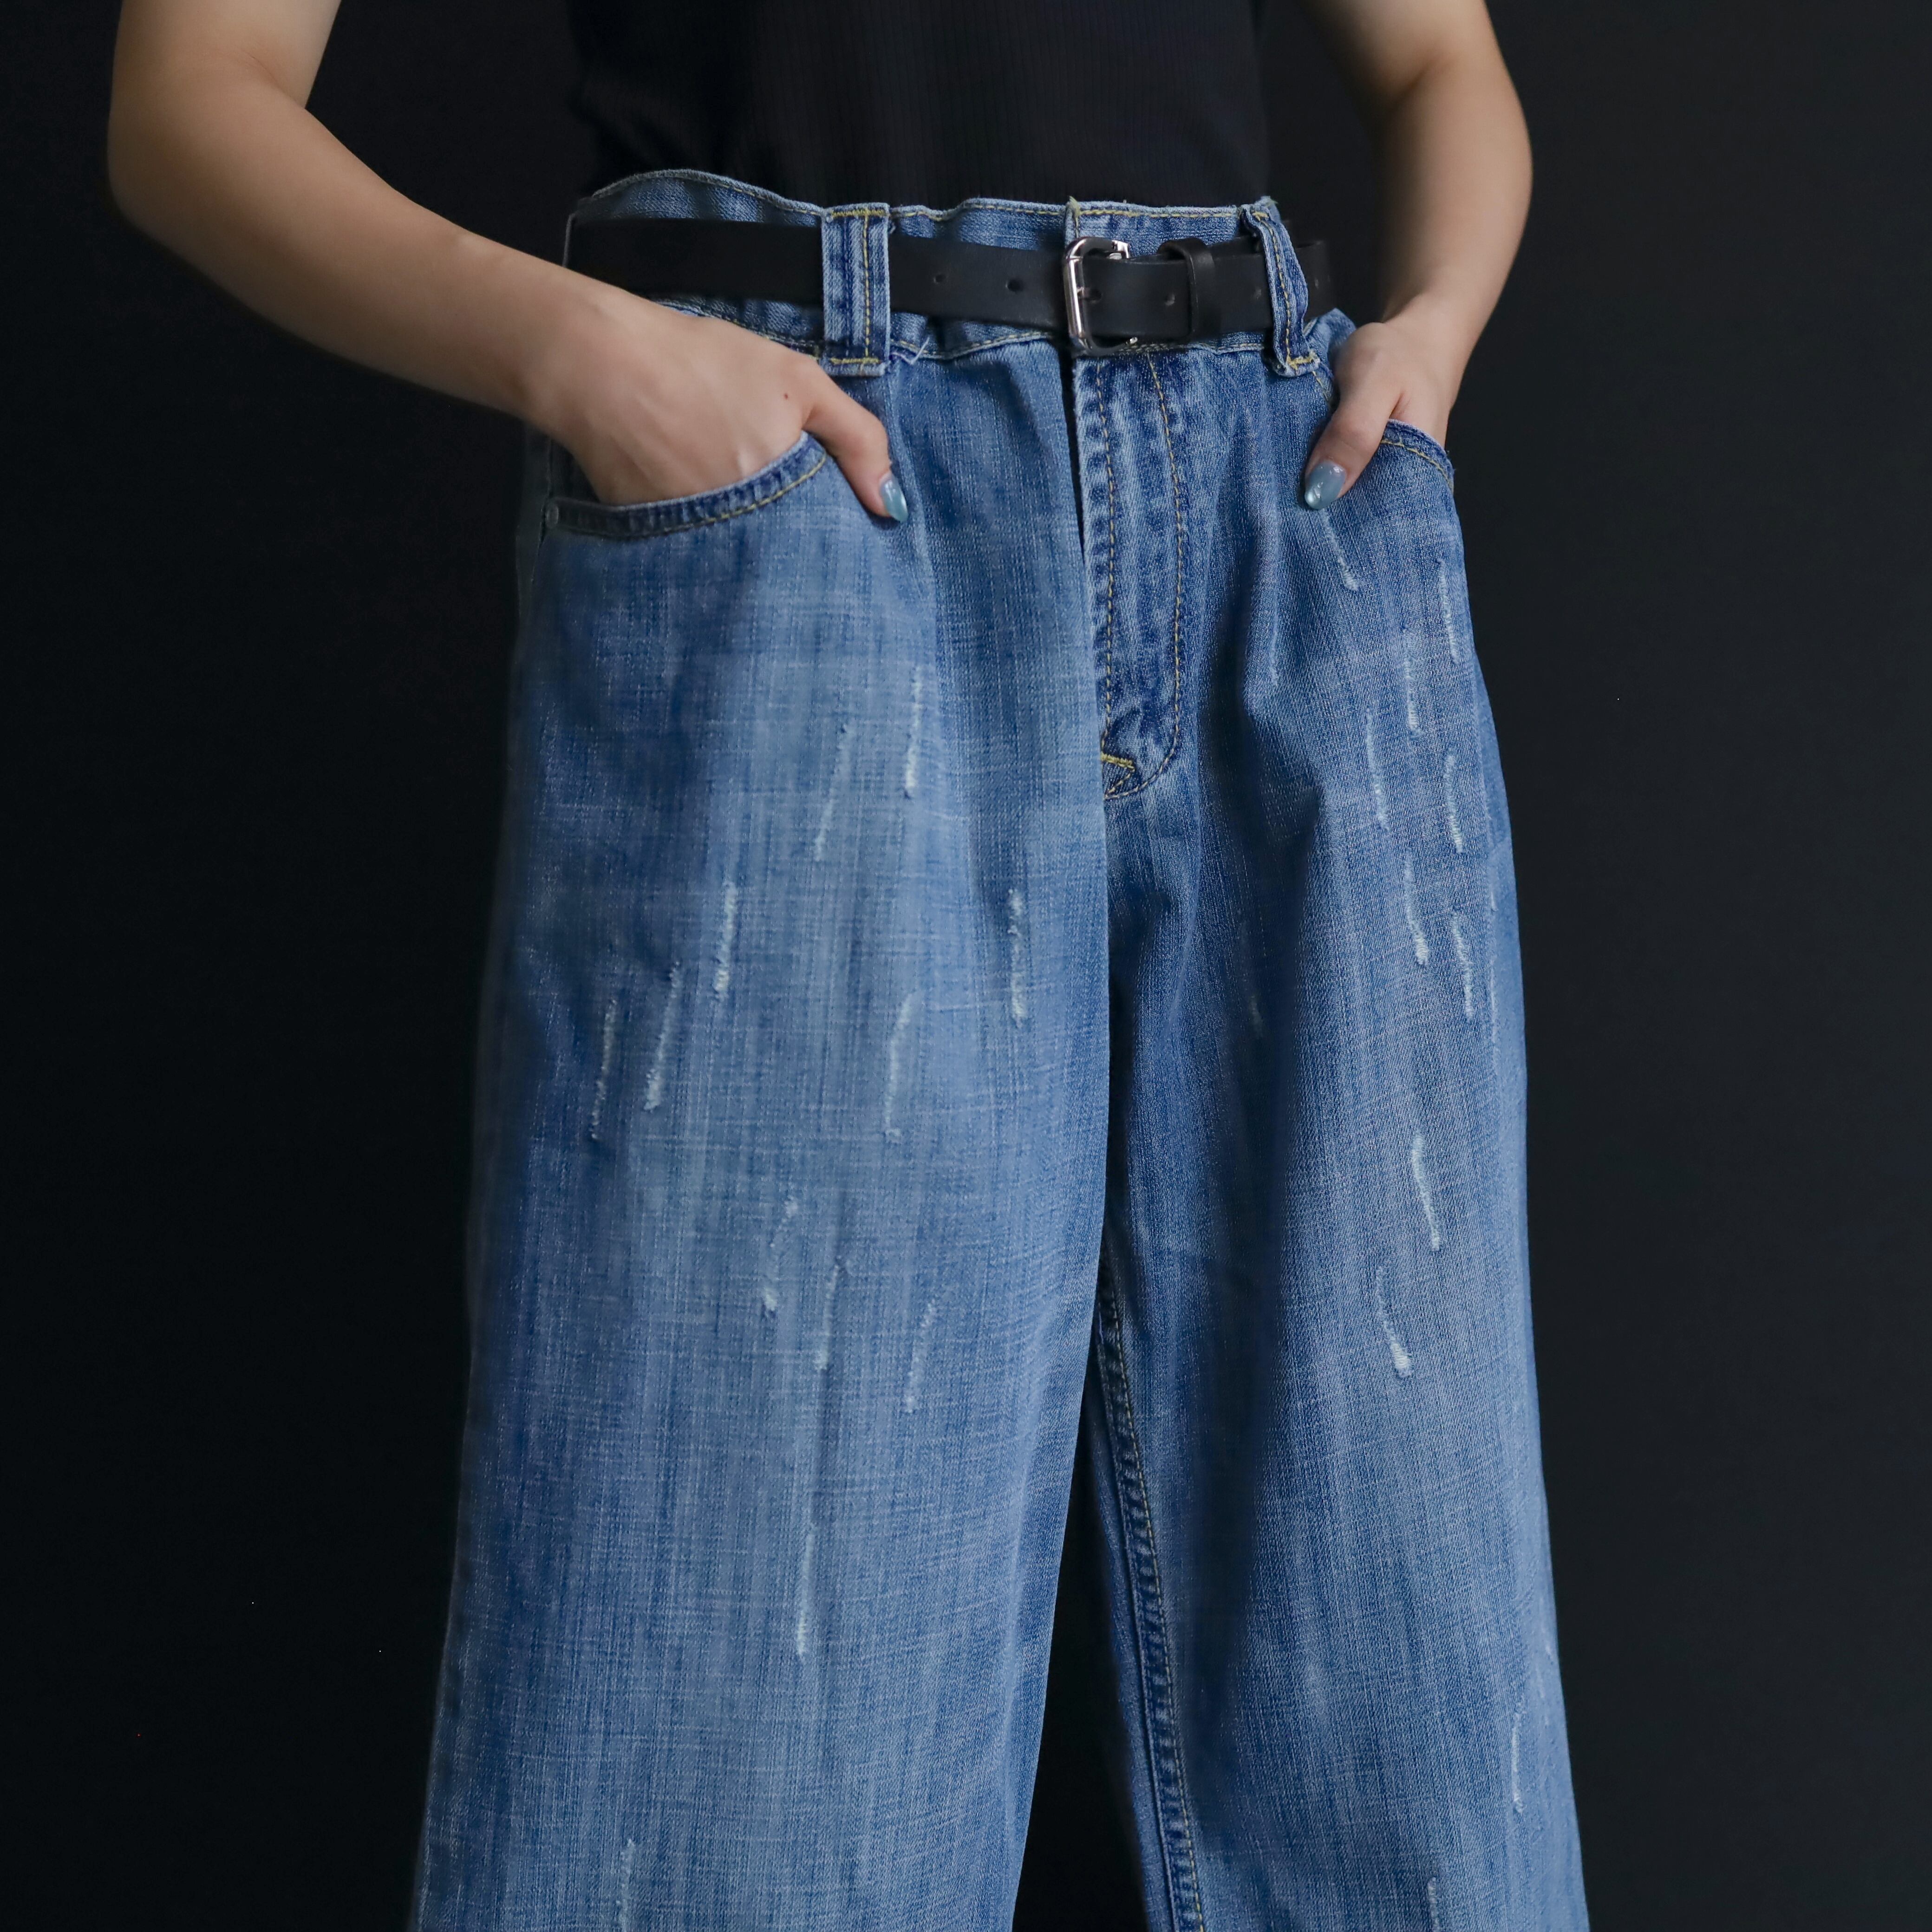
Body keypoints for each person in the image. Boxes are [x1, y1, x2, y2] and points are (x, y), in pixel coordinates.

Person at [108, 2, 1587, 1925]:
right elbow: (189, 107)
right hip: (816, 492)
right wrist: (588, 353)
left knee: (1393, 1604)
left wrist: (1431, 339)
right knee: (760, 1636)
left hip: (1277, 500)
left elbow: (1437, 63)